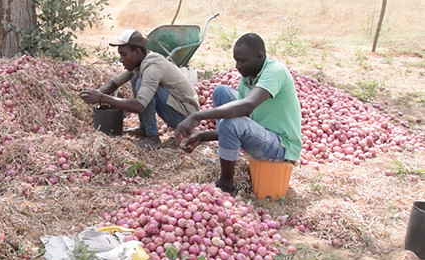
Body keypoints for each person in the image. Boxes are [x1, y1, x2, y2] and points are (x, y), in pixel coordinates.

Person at [175, 33, 302, 194]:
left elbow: (246, 107)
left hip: (281, 147)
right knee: (221, 92)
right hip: (262, 133)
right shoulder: (247, 79)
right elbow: (241, 120)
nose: (237, 66)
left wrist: (197, 116)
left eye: (242, 61)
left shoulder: (275, 71)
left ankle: (226, 184)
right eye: (236, 60)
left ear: (260, 56)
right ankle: (228, 152)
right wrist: (202, 136)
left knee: (231, 120)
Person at [80, 29, 200, 149]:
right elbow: (114, 83)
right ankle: (144, 129)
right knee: (135, 78)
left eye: (124, 55)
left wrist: (102, 98)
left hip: (186, 119)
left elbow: (139, 105)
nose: (121, 60)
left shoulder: (152, 67)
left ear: (137, 52)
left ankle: (153, 138)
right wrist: (97, 93)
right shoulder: (140, 62)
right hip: (179, 112)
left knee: (142, 82)